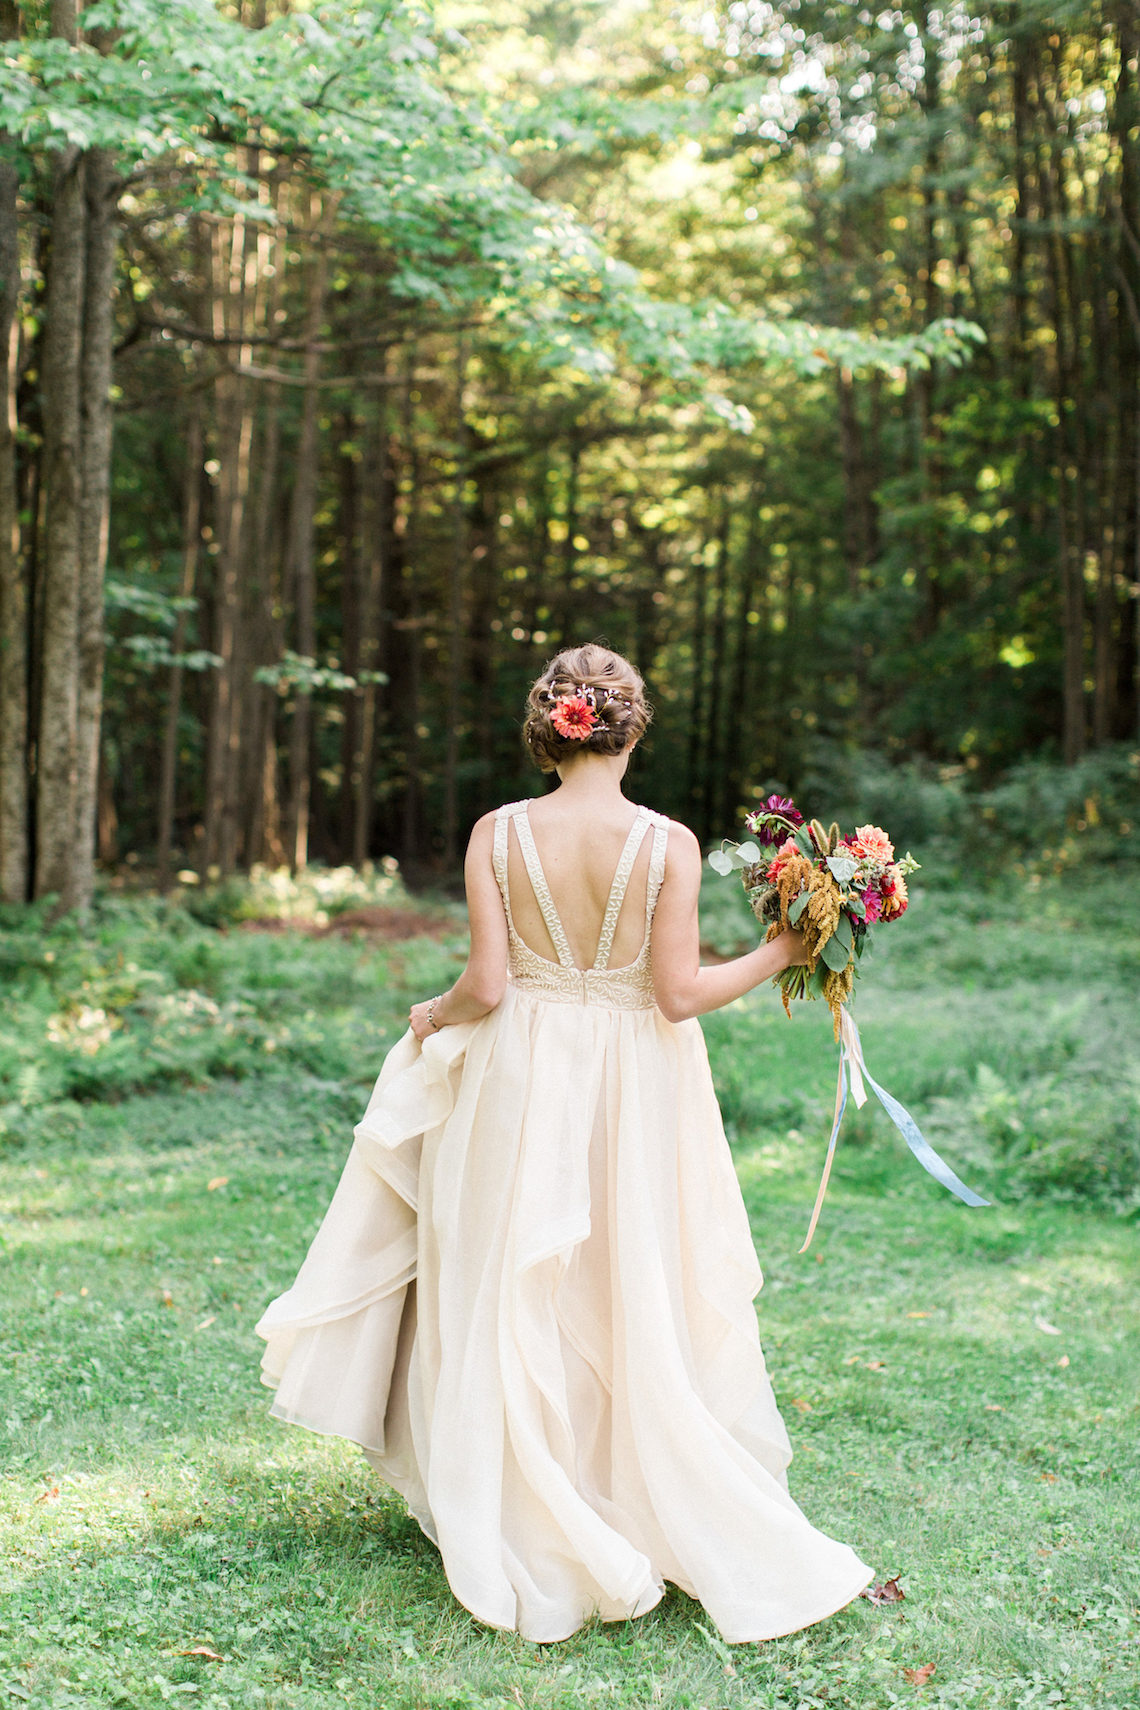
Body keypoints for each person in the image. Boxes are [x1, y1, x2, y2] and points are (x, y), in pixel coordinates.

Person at [256, 643, 872, 1644]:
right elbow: (678, 994)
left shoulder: (497, 833)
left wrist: (431, 1014)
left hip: (520, 1073)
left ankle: (518, 1493)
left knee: (509, 1272)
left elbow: (486, 985)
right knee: (625, 1274)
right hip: (634, 1080)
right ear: (630, 729)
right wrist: (781, 951)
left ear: (550, 729)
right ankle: (619, 1486)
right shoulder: (668, 843)